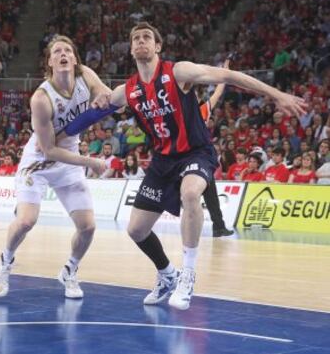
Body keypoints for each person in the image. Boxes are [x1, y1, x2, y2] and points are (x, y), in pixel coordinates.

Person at [61, 22, 306, 310]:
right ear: (131, 49)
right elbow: (91, 116)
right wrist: (55, 137)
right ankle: (168, 274)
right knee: (136, 230)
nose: (141, 41)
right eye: (136, 38)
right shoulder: (128, 90)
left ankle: (188, 274)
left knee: (191, 193)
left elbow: (228, 75)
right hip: (163, 161)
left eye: (147, 37)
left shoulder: (178, 72)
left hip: (195, 153)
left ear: (157, 46)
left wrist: (277, 95)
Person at [0, 35, 110, 299]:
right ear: (50, 61)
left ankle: (69, 270)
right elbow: (50, 149)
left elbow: (106, 95)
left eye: (68, 50)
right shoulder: (41, 98)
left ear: (75, 58)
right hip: (40, 161)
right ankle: (4, 262)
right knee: (26, 221)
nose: (63, 53)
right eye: (57, 51)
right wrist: (91, 162)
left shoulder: (85, 75)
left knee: (88, 227)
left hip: (69, 162)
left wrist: (102, 99)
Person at [198, 58, 234, 237]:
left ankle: (218, 226)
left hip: (201, 158)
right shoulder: (178, 112)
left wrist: (224, 74)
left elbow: (218, 93)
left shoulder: (202, 110)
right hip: (187, 158)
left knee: (210, 194)